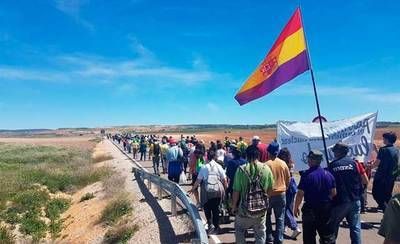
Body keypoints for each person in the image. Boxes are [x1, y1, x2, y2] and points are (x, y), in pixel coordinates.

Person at [232, 145, 274, 244]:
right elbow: (271, 188)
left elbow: (236, 191)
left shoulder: (241, 170)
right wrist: (265, 201)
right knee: (260, 234)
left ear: (246, 156)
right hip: (260, 210)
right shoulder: (266, 169)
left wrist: (234, 206)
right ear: (258, 156)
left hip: (244, 210)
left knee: (239, 230)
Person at [294, 150, 337, 244]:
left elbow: (300, 193)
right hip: (325, 209)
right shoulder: (328, 175)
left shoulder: (307, 175)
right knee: (327, 236)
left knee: (309, 237)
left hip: (310, 209)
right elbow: (333, 193)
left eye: (309, 159)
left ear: (312, 160)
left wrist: (296, 207)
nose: (308, 161)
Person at [328, 142, 363, 244]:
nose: (334, 153)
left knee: (333, 226)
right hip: (355, 199)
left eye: (335, 151)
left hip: (340, 201)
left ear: (338, 152)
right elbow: (363, 180)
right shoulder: (354, 163)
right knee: (355, 228)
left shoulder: (333, 165)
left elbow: (330, 185)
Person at [189, 150, 227, 234]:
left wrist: (193, 189)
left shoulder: (204, 167)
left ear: (207, 158)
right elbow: (224, 180)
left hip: (206, 191)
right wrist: (225, 189)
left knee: (207, 208)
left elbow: (198, 180)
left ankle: (210, 224)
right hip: (217, 191)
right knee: (216, 208)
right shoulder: (218, 166)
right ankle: (216, 226)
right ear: (214, 157)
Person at [265, 142, 290, 244]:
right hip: (281, 193)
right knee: (280, 218)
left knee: (267, 216)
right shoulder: (283, 164)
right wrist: (285, 188)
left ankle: (269, 236)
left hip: (269, 194)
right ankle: (279, 239)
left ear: (268, 152)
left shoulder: (266, 164)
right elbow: (288, 179)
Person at [278, 148, 302, 239]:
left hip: (286, 186)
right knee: (289, 207)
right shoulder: (291, 163)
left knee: (285, 208)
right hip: (292, 186)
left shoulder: (282, 164)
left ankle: (294, 227)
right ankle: (284, 227)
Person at [371, 132, 399, 211]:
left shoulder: (383, 149)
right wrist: (376, 150)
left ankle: (386, 210)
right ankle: (393, 211)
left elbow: (377, 163)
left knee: (376, 194)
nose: (383, 139)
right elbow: (387, 158)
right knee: (387, 195)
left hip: (381, 176)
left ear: (387, 139)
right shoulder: (396, 150)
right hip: (391, 177)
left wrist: (369, 166)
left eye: (384, 138)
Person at [225, 145, 246, 209]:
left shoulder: (231, 162)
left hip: (233, 184)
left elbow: (228, 174)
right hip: (243, 183)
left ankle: (233, 208)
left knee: (233, 198)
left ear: (233, 154)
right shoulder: (245, 162)